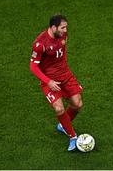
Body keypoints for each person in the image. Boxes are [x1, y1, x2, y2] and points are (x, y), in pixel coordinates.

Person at [30, 14, 83, 151]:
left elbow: (62, 55)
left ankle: (63, 126)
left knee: (77, 104)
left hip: (66, 76)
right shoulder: (40, 44)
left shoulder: (63, 35)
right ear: (53, 27)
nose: (65, 30)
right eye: (62, 27)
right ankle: (73, 137)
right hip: (50, 81)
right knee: (59, 108)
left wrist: (72, 81)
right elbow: (33, 66)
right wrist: (48, 81)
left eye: (66, 27)